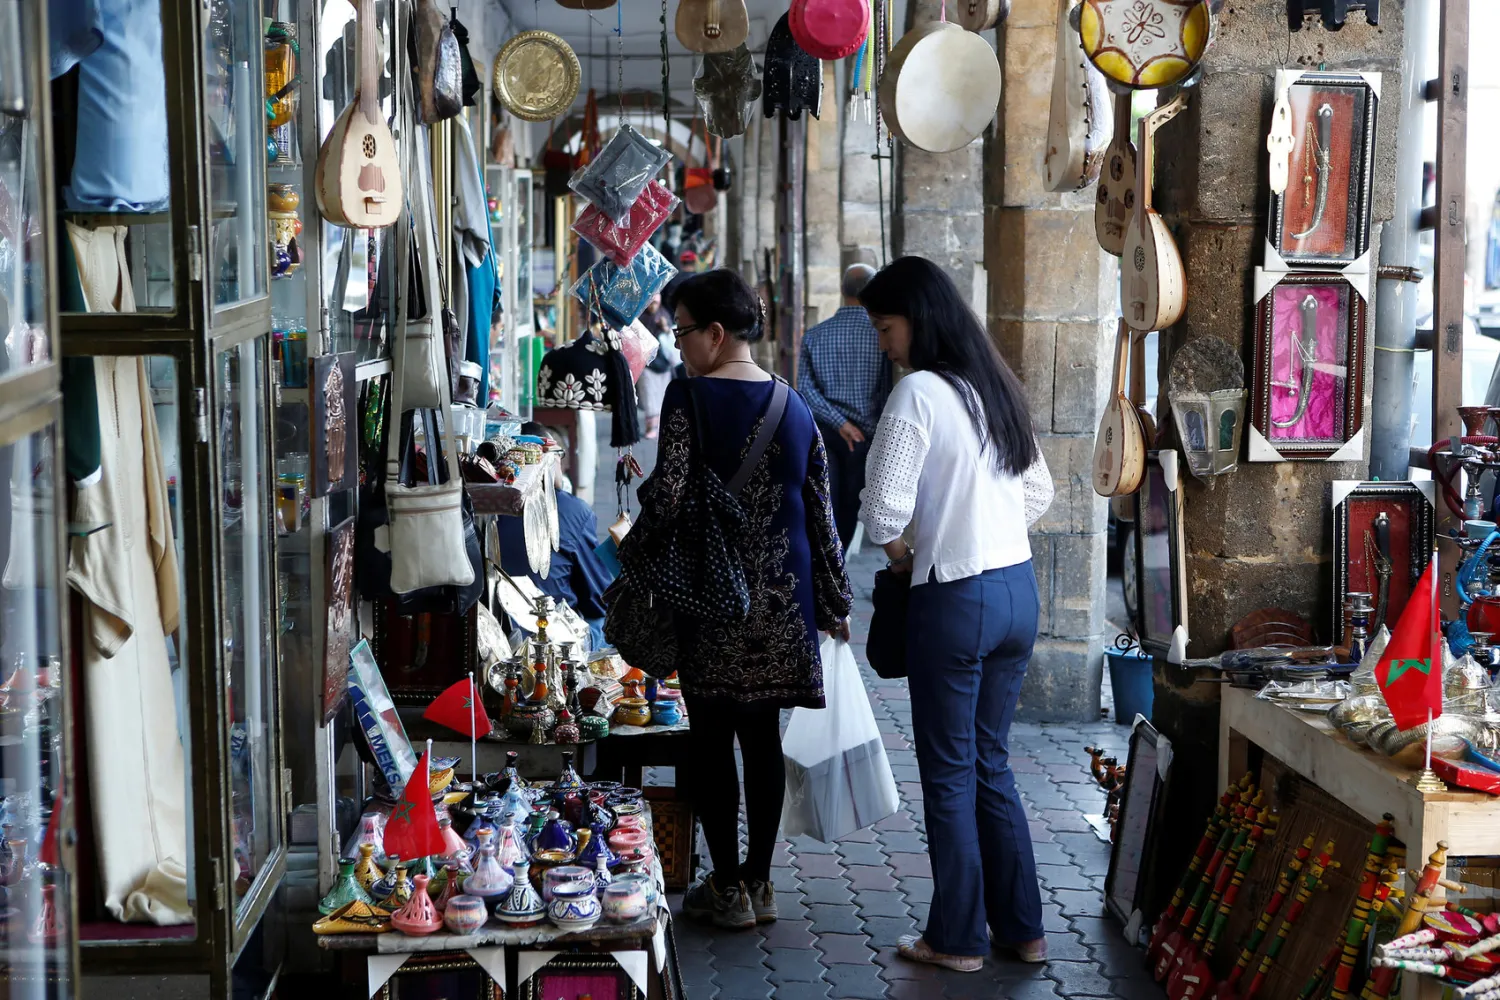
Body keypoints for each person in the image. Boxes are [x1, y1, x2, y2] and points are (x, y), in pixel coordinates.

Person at [857, 256, 1055, 972]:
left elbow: (882, 510)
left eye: (886, 327)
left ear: (919, 318)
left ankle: (957, 939)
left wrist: (911, 555)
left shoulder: (918, 394)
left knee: (947, 772)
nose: (884, 343)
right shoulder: (991, 385)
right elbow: (1040, 494)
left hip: (956, 595)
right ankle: (1024, 930)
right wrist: (984, 524)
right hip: (1017, 591)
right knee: (990, 764)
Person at [638, 268, 852, 929]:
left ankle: (724, 886)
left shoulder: (688, 398)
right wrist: (837, 602)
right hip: (785, 604)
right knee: (762, 739)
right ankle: (761, 886)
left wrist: (635, 544)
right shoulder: (795, 406)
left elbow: (668, 495)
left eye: (682, 330)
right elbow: (822, 514)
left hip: (712, 599)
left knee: (710, 742)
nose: (679, 346)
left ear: (716, 332)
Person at [495, 423, 615, 648]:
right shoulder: (571, 510)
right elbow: (598, 599)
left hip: (498, 629)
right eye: (558, 454)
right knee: (606, 623)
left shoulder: (489, 502)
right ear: (548, 460)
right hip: (549, 638)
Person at [798, 263, 891, 548]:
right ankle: (840, 571)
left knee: (826, 504)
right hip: (867, 437)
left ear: (841, 290)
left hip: (826, 433)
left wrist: (839, 423)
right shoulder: (882, 335)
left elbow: (804, 389)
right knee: (853, 508)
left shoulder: (814, 335)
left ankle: (827, 568)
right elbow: (887, 388)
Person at [635, 293, 680, 439]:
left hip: (664, 363)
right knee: (648, 395)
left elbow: (671, 335)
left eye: (655, 303)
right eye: (651, 303)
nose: (653, 306)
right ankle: (651, 426)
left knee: (661, 395)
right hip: (647, 362)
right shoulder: (640, 317)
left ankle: (660, 426)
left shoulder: (664, 314)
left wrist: (665, 327)